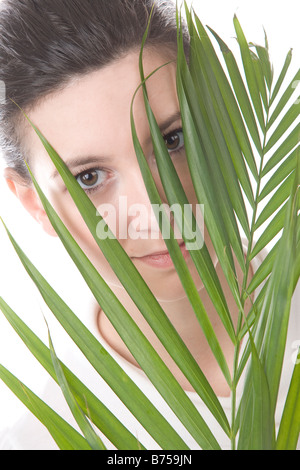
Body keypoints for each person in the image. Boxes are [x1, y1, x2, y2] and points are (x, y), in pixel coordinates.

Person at [0, 0, 298, 450]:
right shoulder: (50, 437)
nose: (157, 211)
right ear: (35, 204)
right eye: (89, 178)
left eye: (173, 140)